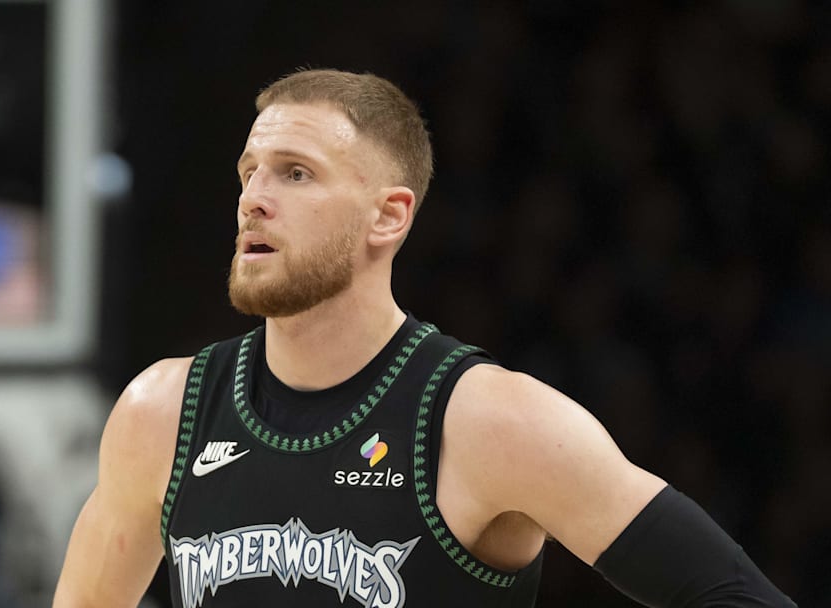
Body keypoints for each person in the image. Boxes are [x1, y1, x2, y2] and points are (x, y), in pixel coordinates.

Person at [54, 69, 796, 607]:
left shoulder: (492, 421)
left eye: (296, 174)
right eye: (249, 173)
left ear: (388, 216)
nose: (254, 199)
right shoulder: (162, 411)